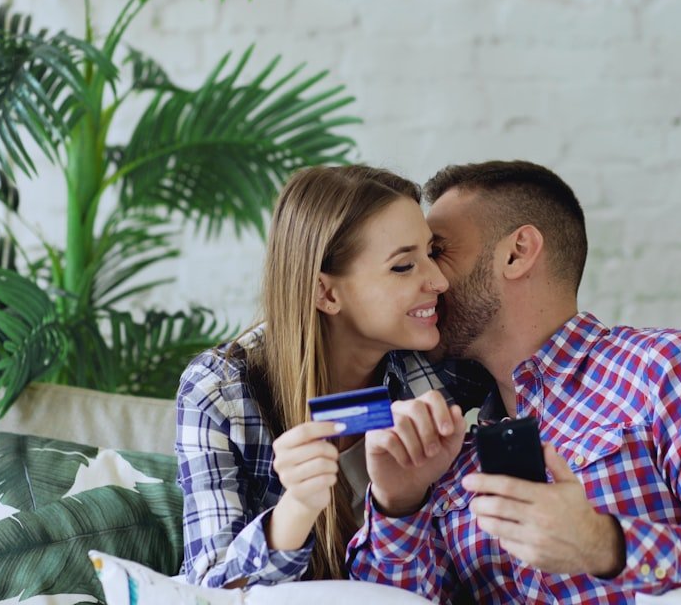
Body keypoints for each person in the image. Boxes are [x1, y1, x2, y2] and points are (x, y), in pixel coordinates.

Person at [348, 160, 681, 603]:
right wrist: (399, 506)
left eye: (439, 251)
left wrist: (605, 545)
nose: (427, 278)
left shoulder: (668, 370)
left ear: (517, 254)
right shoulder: (451, 447)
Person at [176, 165, 474, 588]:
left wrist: (401, 506)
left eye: (433, 253)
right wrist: (297, 507)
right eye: (404, 266)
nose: (439, 281)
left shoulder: (434, 376)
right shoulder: (219, 392)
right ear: (326, 293)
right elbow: (211, 593)